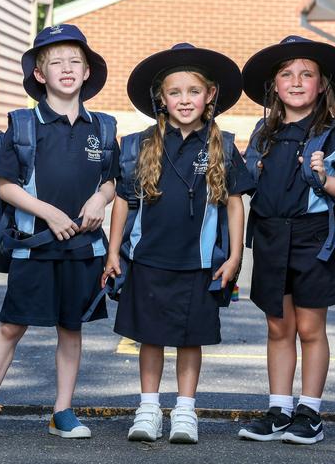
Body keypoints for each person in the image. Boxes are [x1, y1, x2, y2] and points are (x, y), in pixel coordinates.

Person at [0, 24, 119, 440]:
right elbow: (5, 185)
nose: (66, 69)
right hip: (33, 248)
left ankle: (62, 411)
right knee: (11, 326)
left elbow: (111, 178)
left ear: (87, 73)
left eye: (75, 62)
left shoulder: (101, 127)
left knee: (71, 328)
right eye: (56, 63)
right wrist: (48, 212)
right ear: (39, 74)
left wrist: (101, 199)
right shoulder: (23, 125)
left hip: (83, 249)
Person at [102, 43, 254, 444]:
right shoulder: (139, 145)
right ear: (161, 99)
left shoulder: (222, 146)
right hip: (147, 259)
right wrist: (114, 251)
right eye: (175, 92)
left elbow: (235, 204)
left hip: (200, 262)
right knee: (148, 337)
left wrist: (235, 255)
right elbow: (123, 200)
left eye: (193, 91)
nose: (184, 100)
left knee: (191, 340)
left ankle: (185, 410)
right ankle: (149, 408)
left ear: (209, 97)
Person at [237, 36, 335, 445]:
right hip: (272, 235)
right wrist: (249, 169)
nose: (296, 82)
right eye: (286, 74)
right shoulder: (263, 132)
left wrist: (326, 179)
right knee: (278, 326)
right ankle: (279, 408)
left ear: (321, 84)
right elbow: (244, 184)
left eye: (306, 74)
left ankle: (309, 412)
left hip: (315, 237)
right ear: (274, 86)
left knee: (310, 327)